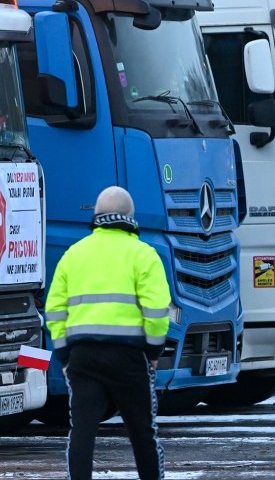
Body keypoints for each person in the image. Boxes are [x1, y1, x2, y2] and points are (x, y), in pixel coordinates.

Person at [45, 186, 170, 480]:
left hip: (83, 356)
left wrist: (64, 355)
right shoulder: (144, 254)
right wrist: (153, 352)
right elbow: (157, 311)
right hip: (130, 357)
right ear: (131, 216)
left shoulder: (74, 254)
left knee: (82, 430)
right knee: (142, 432)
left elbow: (54, 310)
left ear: (97, 215)